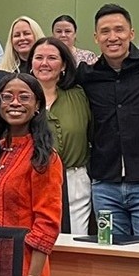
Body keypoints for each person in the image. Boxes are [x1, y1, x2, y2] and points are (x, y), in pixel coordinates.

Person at [75, 4, 139, 243]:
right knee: (112, 262)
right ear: (96, 37)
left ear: (131, 33)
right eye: (105, 31)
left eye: (119, 30)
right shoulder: (87, 76)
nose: (113, 37)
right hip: (105, 185)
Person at [0, 73, 64, 276]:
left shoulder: (44, 158)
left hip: (25, 268)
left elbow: (47, 225)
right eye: (7, 97)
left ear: (37, 105)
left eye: (24, 97)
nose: (15, 103)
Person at [30, 37, 92, 232]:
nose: (44, 63)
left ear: (64, 64)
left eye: (52, 58)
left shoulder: (80, 95)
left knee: (74, 246)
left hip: (75, 182)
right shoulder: (21, 97)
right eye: (38, 57)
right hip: (34, 180)